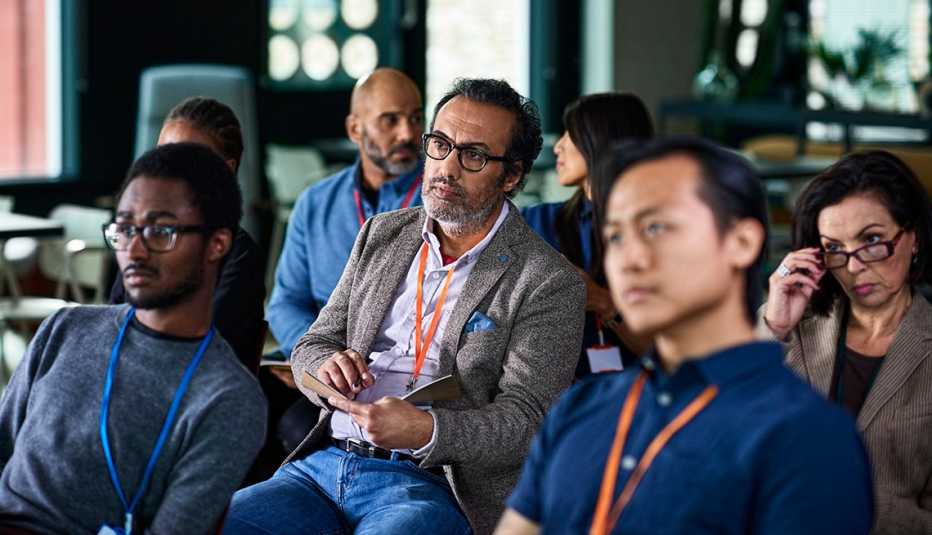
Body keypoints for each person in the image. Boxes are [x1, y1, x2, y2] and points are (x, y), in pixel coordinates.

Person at [224, 78, 586, 535]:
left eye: (473, 156)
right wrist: (327, 368)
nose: (446, 168)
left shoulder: (547, 280)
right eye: (440, 144)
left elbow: (526, 423)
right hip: (323, 467)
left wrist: (426, 431)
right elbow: (313, 344)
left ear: (511, 175)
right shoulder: (383, 234)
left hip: (432, 483)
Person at [497, 138, 873, 535]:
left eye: (656, 227)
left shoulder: (805, 437)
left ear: (741, 242)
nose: (629, 258)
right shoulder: (580, 408)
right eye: (617, 236)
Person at [0, 143, 267, 533]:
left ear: (217, 244)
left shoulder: (227, 399)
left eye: (161, 231)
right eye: (125, 229)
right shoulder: (65, 328)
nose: (135, 250)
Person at [758, 150, 932, 534]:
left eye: (871, 240)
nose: (853, 267)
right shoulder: (792, 327)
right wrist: (774, 327)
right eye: (834, 248)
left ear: (913, 238)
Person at [266, 67, 425, 362]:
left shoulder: (441, 201)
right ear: (355, 130)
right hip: (324, 369)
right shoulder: (315, 203)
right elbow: (286, 303)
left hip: (408, 372)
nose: (407, 133)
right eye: (390, 120)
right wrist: (320, 357)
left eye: (415, 118)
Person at [110, 96, 266, 372]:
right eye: (161, 156)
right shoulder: (143, 243)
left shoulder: (237, 255)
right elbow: (111, 324)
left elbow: (197, 351)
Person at [522, 93, 653, 375]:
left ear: (601, 140)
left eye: (570, 134)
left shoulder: (659, 235)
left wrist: (602, 301)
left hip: (637, 398)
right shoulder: (536, 222)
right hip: (552, 400)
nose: (557, 146)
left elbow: (675, 355)